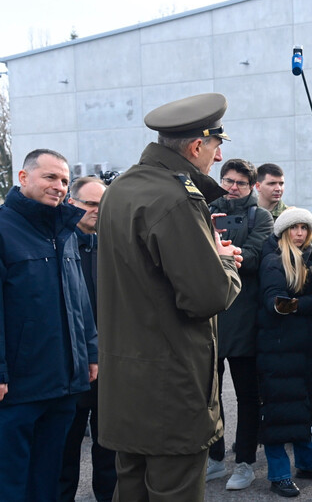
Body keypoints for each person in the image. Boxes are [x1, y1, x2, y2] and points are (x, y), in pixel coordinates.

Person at [97, 93, 243, 501]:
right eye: (215, 148)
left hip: (126, 385)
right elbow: (207, 296)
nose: (216, 159)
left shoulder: (123, 187)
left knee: (131, 489)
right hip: (170, 389)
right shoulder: (176, 196)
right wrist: (224, 261)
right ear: (198, 146)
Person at [0, 149, 99, 501]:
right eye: (50, 177)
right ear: (23, 178)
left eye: (63, 180)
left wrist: (90, 353)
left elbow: (80, 302)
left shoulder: (66, 231)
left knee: (47, 481)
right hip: (18, 388)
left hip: (63, 385)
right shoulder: (3, 229)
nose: (58, 186)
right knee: (11, 482)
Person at [257, 207, 312, 497]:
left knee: (303, 406)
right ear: (283, 231)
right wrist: (306, 303)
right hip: (276, 347)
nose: (300, 233)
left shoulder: (311, 259)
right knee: (278, 412)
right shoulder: (273, 260)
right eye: (294, 228)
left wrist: (301, 302)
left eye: (304, 228)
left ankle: (307, 463)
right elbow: (276, 304)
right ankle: (278, 474)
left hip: (302, 347)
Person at [206, 158, 274, 490]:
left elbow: (254, 257)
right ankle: (214, 458)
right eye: (228, 180)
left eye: (240, 183)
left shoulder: (259, 215)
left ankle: (245, 461)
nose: (233, 187)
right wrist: (227, 253)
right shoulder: (205, 210)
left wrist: (219, 252)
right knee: (209, 394)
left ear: (252, 186)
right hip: (209, 317)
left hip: (247, 318)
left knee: (249, 395)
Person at [60, 176, 116, 502]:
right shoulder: (59, 244)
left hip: (110, 363)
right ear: (72, 203)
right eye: (90, 204)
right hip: (72, 364)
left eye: (102, 204)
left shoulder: (113, 246)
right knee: (66, 448)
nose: (97, 210)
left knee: (108, 447)